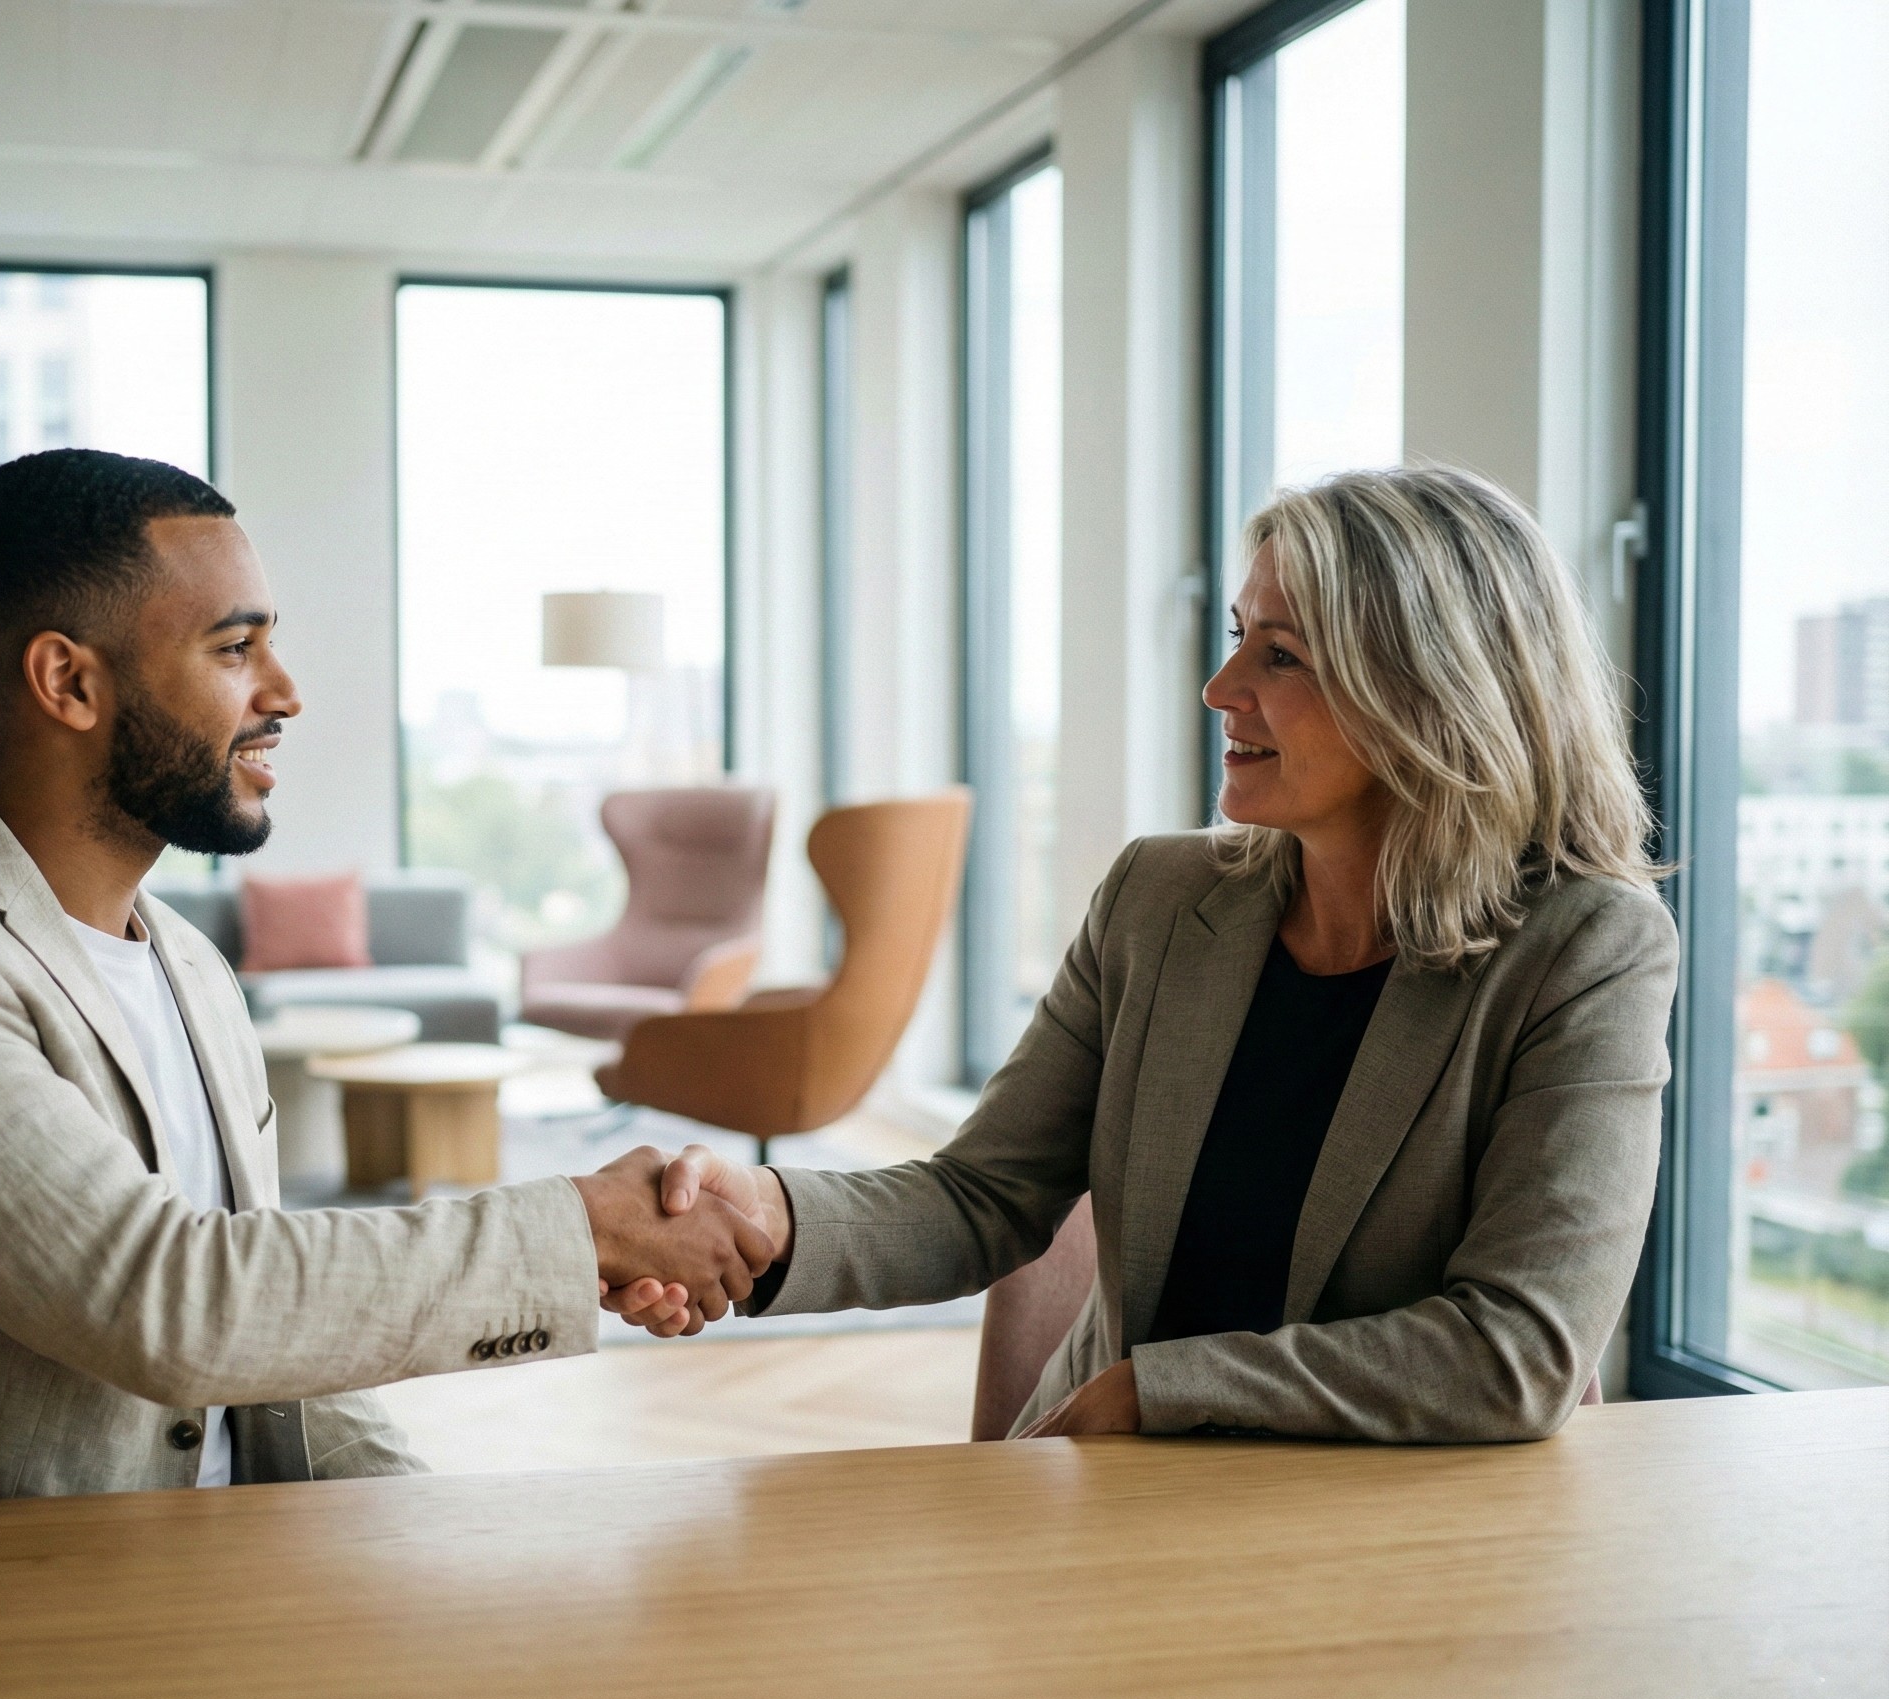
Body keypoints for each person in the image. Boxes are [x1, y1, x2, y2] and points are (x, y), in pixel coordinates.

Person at [0, 449, 769, 1513]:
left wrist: (422, 1529)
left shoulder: (190, 965)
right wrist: (583, 1229)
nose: (285, 693)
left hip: (212, 1563)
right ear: (69, 682)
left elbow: (277, 1341)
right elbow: (174, 1304)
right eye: (235, 647)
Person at [618, 464, 1677, 1444]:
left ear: (1429, 694)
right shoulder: (1159, 898)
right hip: (1109, 1490)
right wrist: (764, 1214)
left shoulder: (1588, 948)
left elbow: (1516, 1349)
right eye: (1237, 637)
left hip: (1400, 1528)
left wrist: (1163, 1387)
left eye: (1280, 655)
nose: (1220, 688)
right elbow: (981, 1195)